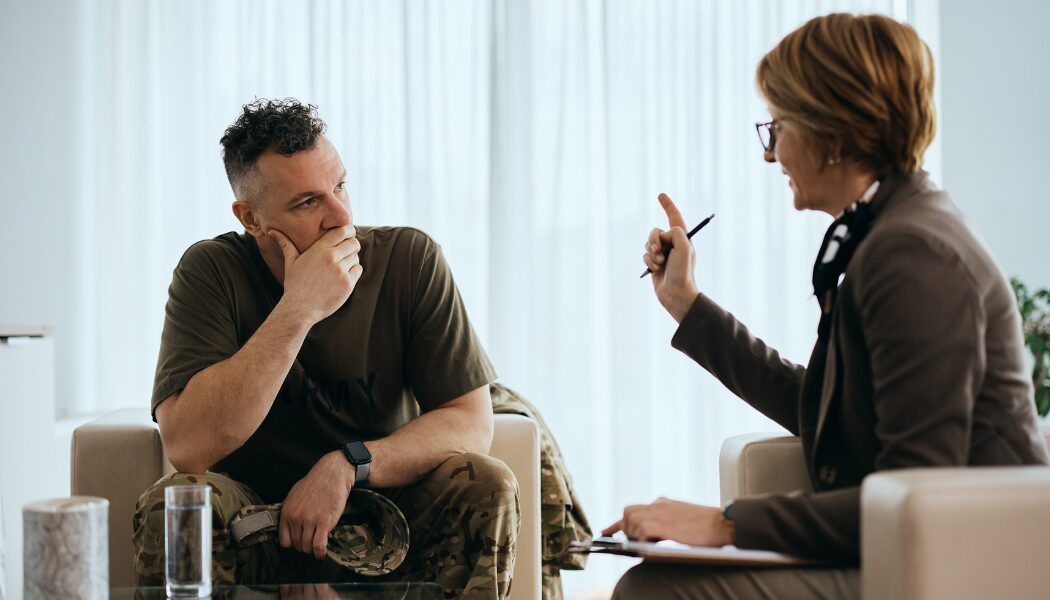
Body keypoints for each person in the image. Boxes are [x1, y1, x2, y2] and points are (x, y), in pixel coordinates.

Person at [606, 13, 1049, 599]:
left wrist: (725, 524)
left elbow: (914, 493)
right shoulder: (886, 232)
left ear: (833, 133)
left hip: (962, 563)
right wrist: (687, 305)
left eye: (778, 127)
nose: (770, 155)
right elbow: (820, 408)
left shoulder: (911, 255)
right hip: (913, 544)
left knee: (654, 592)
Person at [131, 98, 518, 599]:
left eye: (339, 185)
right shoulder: (211, 273)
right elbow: (188, 447)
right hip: (258, 522)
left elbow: (471, 421)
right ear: (250, 218)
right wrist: (298, 309)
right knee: (176, 503)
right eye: (308, 202)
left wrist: (348, 464)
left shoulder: (410, 259)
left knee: (485, 481)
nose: (342, 217)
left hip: (385, 510)